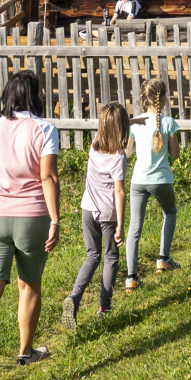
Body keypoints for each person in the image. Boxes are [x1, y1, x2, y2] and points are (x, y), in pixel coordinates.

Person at [0, 70, 61, 378]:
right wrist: (55, 219)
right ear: (35, 95)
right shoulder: (45, 128)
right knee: (29, 284)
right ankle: (25, 351)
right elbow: (48, 176)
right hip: (31, 215)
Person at [62, 100, 130, 328]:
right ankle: (105, 307)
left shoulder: (94, 146)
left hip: (87, 208)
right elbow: (119, 192)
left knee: (92, 256)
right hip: (107, 214)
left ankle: (74, 297)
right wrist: (121, 224)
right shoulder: (118, 156)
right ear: (122, 127)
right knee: (111, 257)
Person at [122, 77, 182, 290]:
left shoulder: (135, 122)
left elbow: (128, 153)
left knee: (134, 227)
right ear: (163, 99)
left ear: (142, 98)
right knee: (170, 212)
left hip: (138, 180)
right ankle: (163, 259)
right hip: (161, 180)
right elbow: (175, 155)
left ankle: (130, 277)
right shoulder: (168, 123)